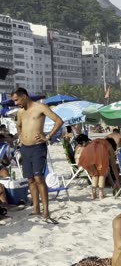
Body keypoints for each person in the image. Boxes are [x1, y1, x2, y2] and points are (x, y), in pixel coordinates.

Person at [13, 87, 63, 224]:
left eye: (17, 100)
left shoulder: (40, 107)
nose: (16, 103)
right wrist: (20, 136)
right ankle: (36, 209)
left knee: (39, 178)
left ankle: (46, 209)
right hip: (25, 148)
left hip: (38, 147)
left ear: (24, 96)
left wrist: (48, 136)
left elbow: (59, 121)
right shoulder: (20, 112)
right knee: (30, 180)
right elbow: (18, 126)